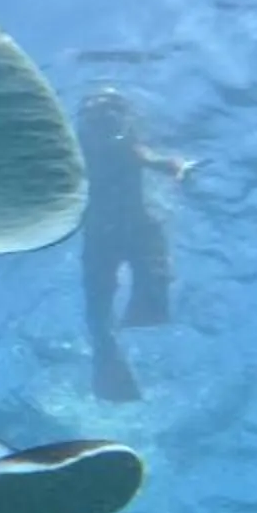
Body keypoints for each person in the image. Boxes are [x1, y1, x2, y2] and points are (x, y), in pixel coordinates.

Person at [75, 87, 187, 402]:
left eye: (109, 115)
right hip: (105, 236)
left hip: (132, 230)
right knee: (98, 311)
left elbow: (160, 160)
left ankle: (126, 338)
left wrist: (179, 168)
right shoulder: (80, 155)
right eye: (96, 117)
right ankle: (108, 362)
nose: (103, 125)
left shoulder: (127, 148)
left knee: (152, 288)